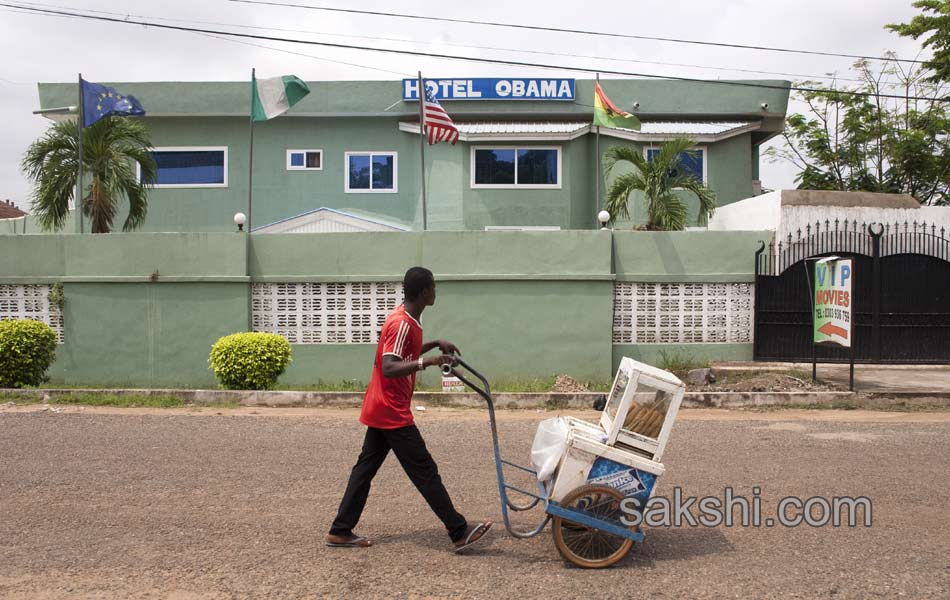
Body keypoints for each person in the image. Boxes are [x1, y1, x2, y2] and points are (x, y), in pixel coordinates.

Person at [326, 266, 492, 552]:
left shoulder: (409, 320)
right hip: (391, 412)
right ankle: (458, 530)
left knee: (364, 470)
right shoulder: (402, 323)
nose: (436, 292)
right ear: (425, 291)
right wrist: (427, 363)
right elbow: (390, 366)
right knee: (425, 471)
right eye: (434, 288)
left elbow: (406, 350)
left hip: (383, 408)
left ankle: (340, 530)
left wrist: (434, 344)